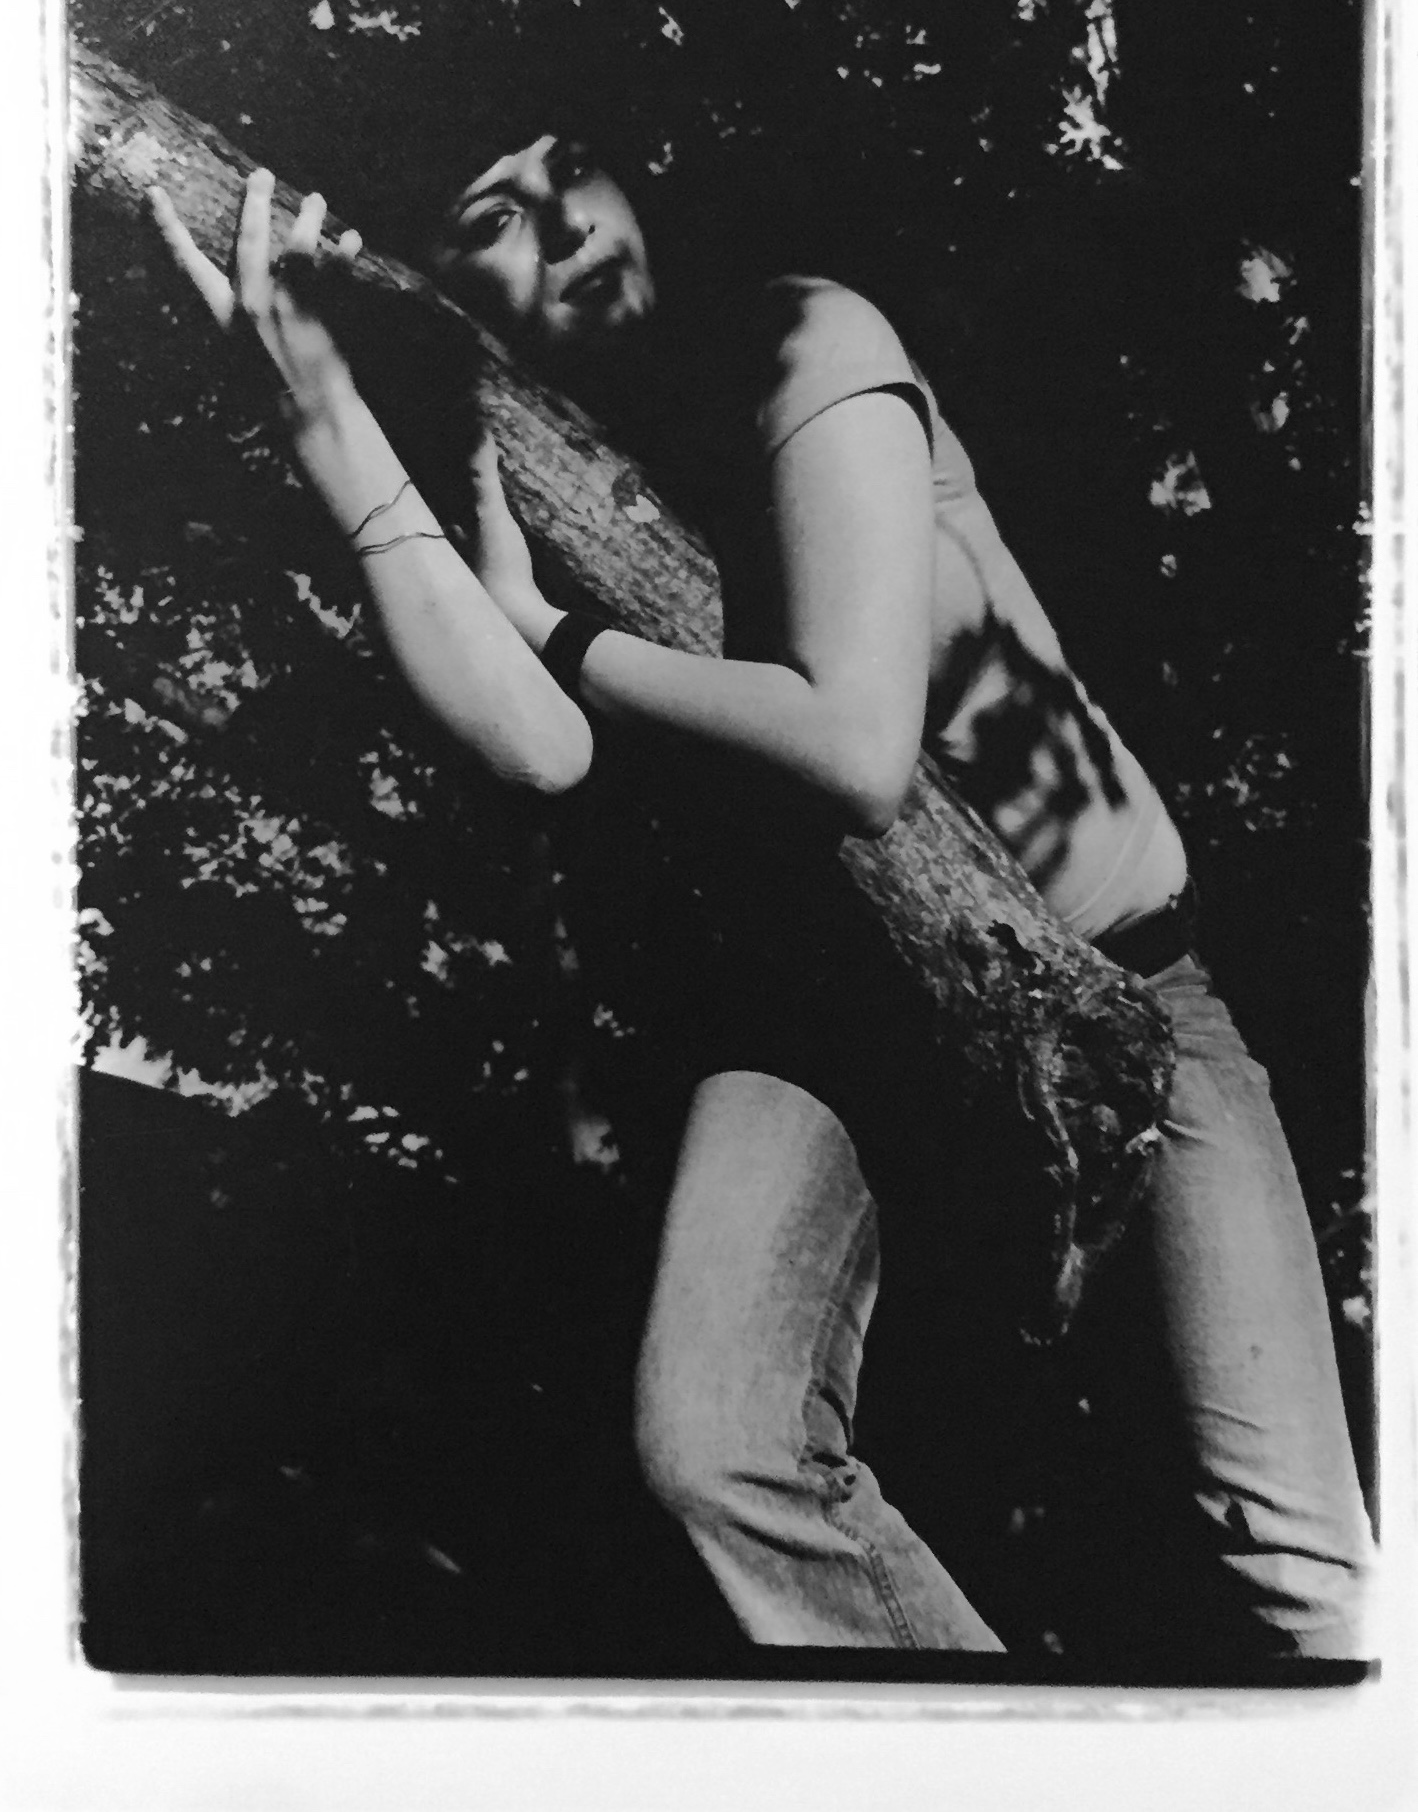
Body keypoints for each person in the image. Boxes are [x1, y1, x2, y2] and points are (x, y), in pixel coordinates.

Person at [149, 120, 1373, 1660]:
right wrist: (323, 417)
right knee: (714, 1442)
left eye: (573, 168)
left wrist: (566, 639)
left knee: (1298, 1565)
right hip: (832, 1023)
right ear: (438, 270)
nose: (568, 222)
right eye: (494, 214)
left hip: (1110, 983)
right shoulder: (512, 449)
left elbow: (855, 746)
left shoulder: (804, 336)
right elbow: (534, 751)